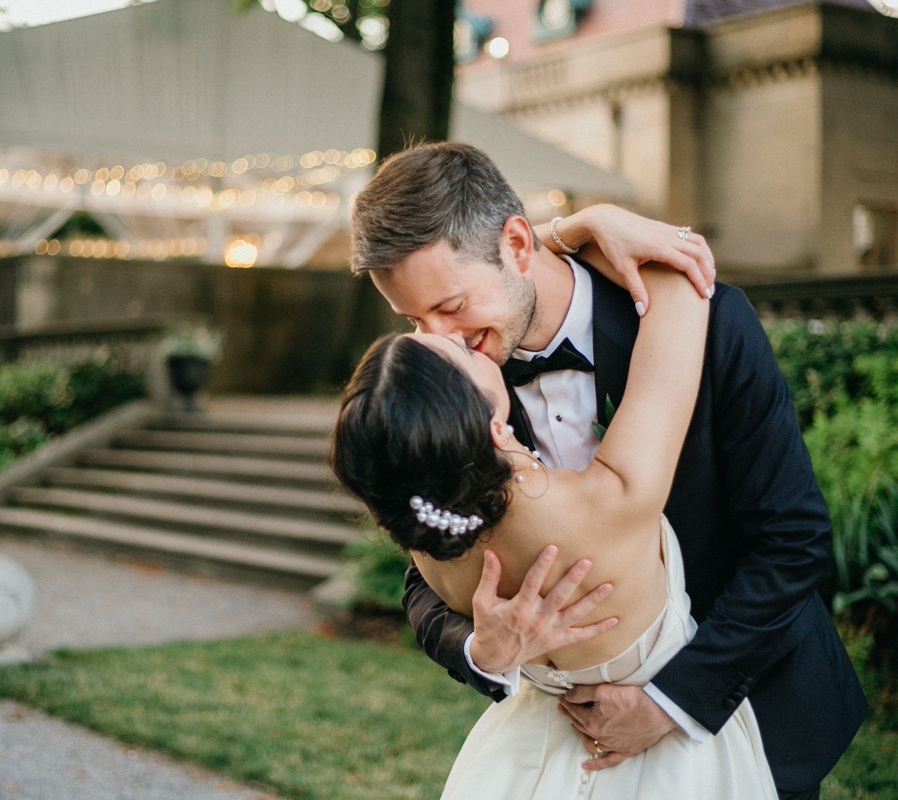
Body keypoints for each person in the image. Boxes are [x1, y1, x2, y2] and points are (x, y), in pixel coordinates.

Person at [343, 142, 866, 800]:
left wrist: (671, 703)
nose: (440, 338)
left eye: (450, 306)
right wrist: (484, 650)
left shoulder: (711, 320)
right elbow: (428, 561)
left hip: (748, 714)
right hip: (565, 747)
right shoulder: (460, 393)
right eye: (414, 320)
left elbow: (792, 537)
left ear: (516, 244)